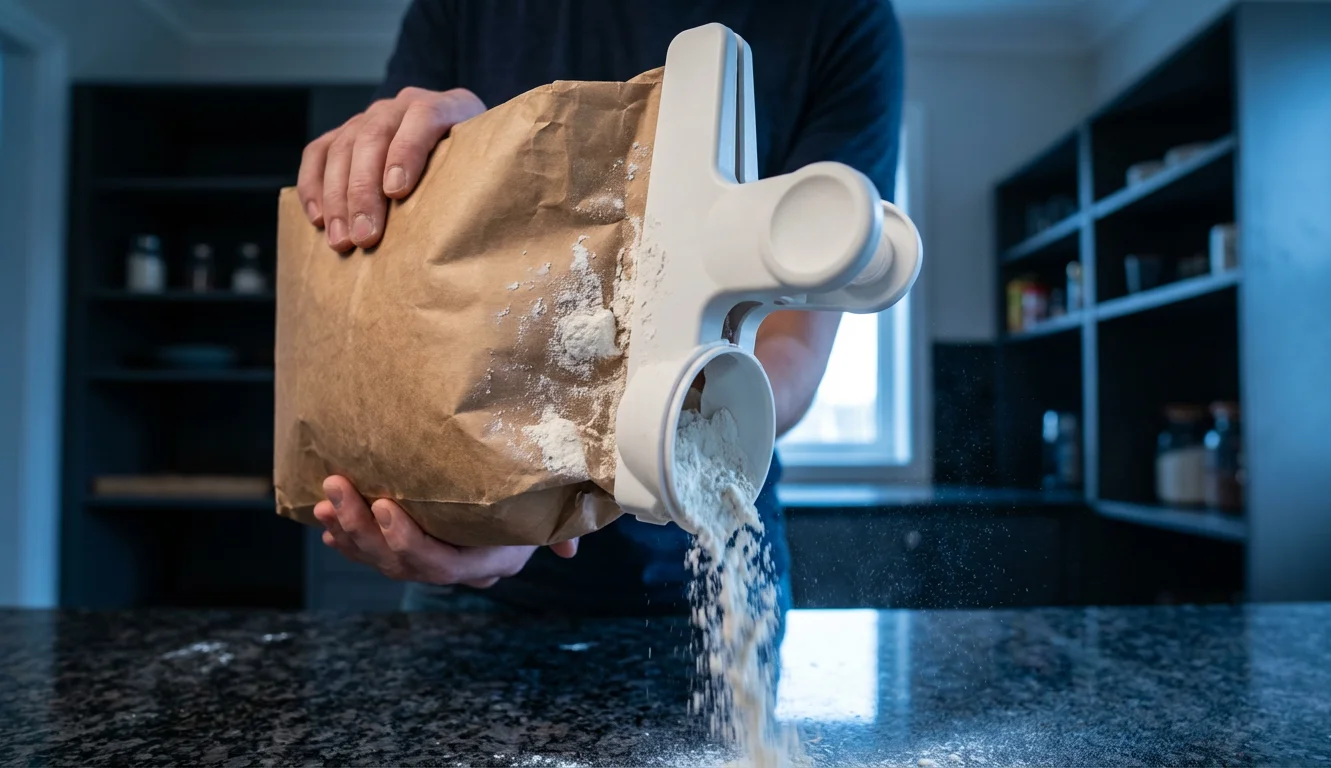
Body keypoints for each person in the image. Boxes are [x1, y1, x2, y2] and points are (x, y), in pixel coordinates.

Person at [296, 0, 903, 616]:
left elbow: (794, 344)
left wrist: (660, 435)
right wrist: (426, 155)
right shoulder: (460, 11)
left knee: (726, 704)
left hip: (708, 531)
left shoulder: (838, 19)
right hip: (475, 551)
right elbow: (399, 253)